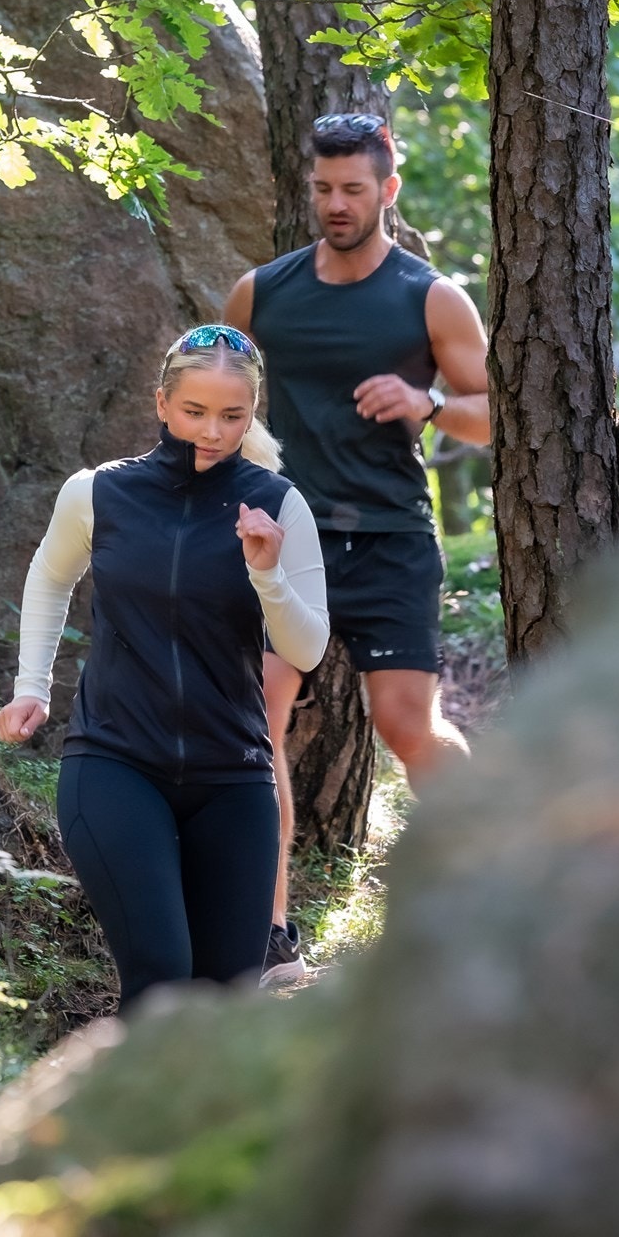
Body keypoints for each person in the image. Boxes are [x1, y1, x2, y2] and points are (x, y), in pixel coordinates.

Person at [225, 112, 491, 985]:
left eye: (353, 189)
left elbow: (497, 417)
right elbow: (217, 405)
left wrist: (426, 404)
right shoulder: (259, 295)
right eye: (323, 189)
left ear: (388, 190)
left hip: (391, 539)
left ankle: (489, 894)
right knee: (258, 724)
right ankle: (269, 941)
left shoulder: (431, 297)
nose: (336, 204)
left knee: (406, 724)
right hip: (289, 538)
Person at [0, 324, 328, 1012]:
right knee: (162, 978)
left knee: (225, 1000)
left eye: (233, 416)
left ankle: (207, 1124)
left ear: (253, 413)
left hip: (232, 777)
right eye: (195, 411)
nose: (213, 431)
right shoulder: (97, 493)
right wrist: (33, 687)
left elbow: (308, 649)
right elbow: (49, 580)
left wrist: (267, 575)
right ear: (161, 404)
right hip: (116, 764)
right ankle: (116, 1121)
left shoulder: (279, 504)